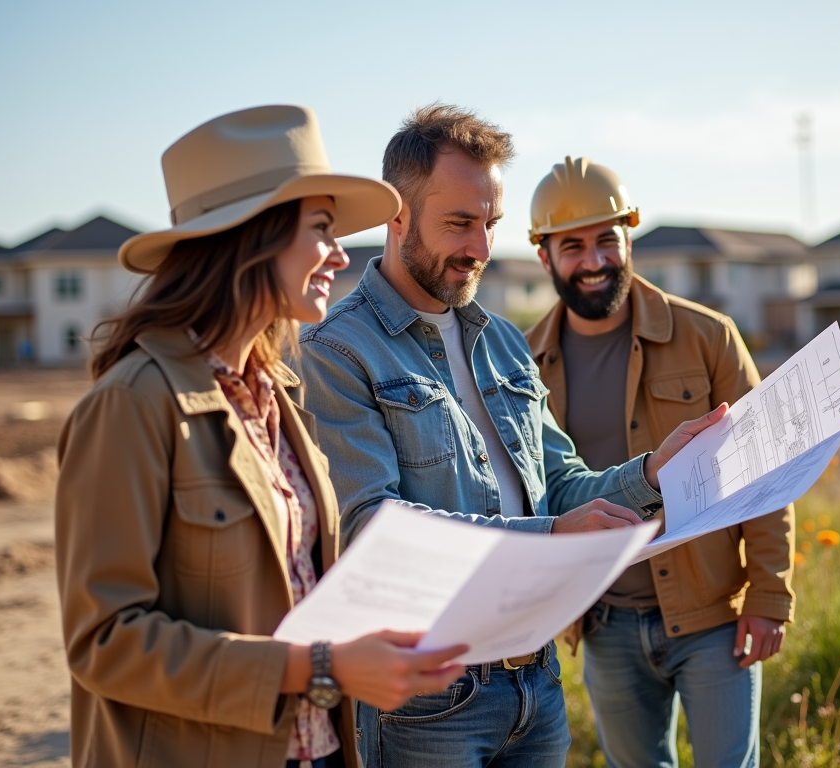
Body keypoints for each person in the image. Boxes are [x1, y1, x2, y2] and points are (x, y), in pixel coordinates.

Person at [297, 105, 726, 768]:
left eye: (490, 224)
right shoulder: (336, 352)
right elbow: (371, 530)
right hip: (425, 699)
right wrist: (551, 537)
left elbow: (561, 486)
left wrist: (652, 475)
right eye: (460, 223)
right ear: (398, 216)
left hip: (535, 684)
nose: (480, 249)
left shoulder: (501, 342)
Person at [54, 105, 470, 768]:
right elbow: (106, 643)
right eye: (323, 230)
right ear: (253, 237)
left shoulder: (281, 398)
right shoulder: (133, 405)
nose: (341, 254)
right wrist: (319, 666)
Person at [524, 156, 796, 768]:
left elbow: (766, 468)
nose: (593, 261)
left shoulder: (708, 337)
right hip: (605, 620)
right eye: (572, 246)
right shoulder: (522, 366)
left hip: (713, 618)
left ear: (629, 237)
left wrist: (769, 594)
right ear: (544, 256)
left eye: (606, 240)